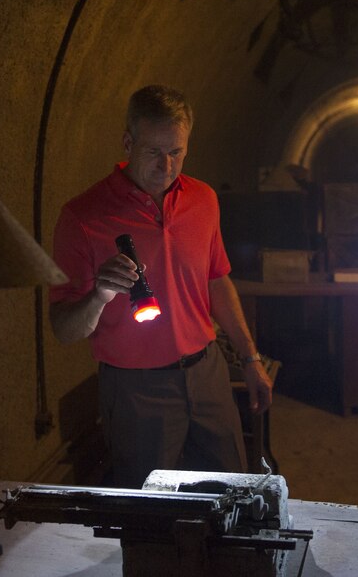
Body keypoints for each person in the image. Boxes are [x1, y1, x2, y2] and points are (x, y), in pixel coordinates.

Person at [49, 84, 273, 488]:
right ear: (128, 142)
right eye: (154, 152)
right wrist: (100, 294)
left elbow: (217, 281)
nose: (166, 165)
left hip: (207, 373)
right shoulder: (83, 217)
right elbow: (64, 330)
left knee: (232, 494)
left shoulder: (203, 200)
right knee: (149, 509)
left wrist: (250, 358)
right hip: (137, 389)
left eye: (177, 152)